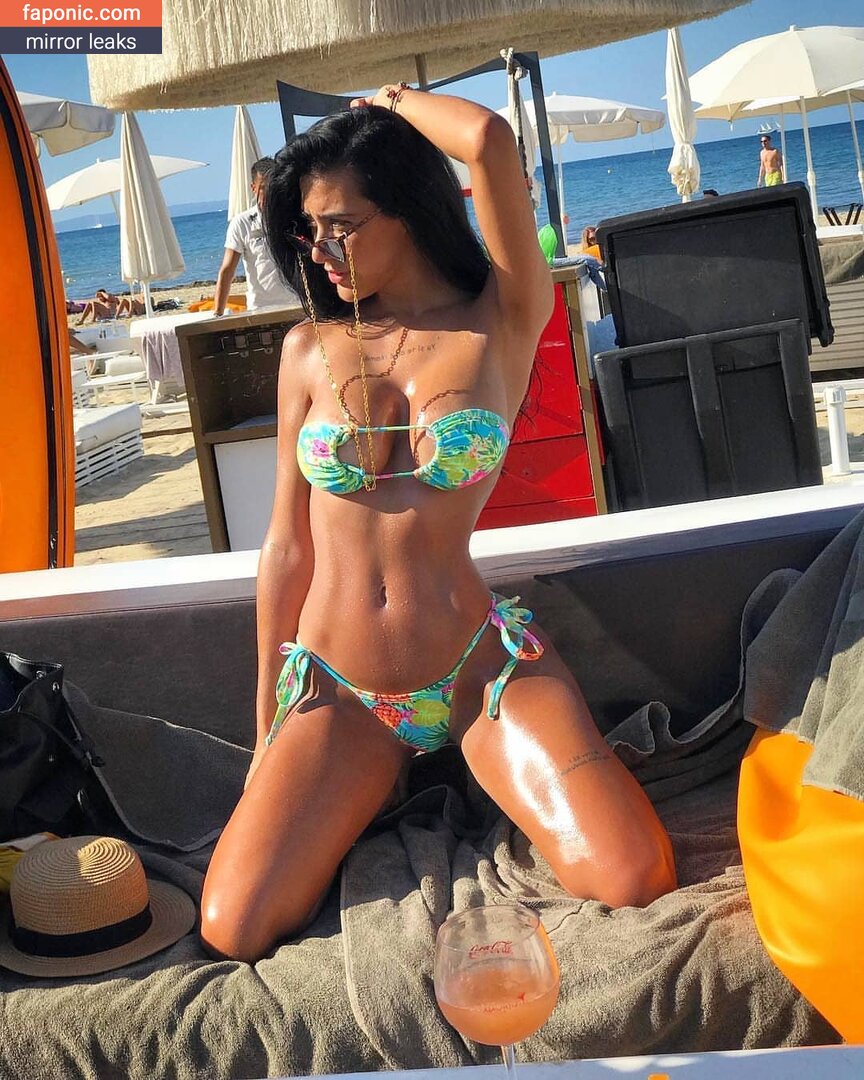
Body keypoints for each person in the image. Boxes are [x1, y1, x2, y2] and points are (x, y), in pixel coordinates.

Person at [200, 86, 677, 962]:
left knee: (632, 875)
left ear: (410, 208)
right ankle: (376, 777)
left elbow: (488, 140)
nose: (320, 250)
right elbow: (287, 546)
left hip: (476, 671)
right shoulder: (307, 349)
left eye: (341, 226)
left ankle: (423, 776)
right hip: (337, 689)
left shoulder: (499, 318)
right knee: (233, 925)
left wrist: (384, 102)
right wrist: (266, 725)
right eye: (307, 232)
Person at [212, 157, 300, 316]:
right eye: (264, 188)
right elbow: (227, 269)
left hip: (297, 305)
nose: (270, 193)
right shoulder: (242, 223)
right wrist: (218, 313)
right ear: (253, 188)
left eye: (273, 186)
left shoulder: (293, 218)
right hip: (260, 309)